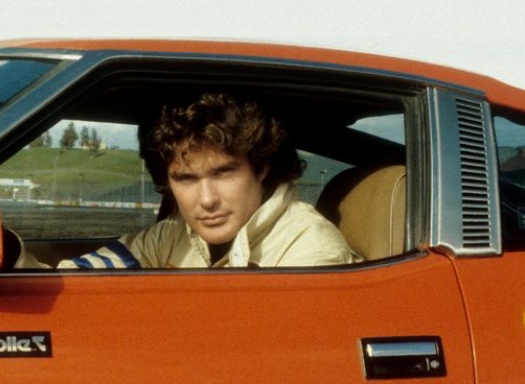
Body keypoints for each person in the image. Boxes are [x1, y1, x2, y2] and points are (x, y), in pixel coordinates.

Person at [60, 93, 360, 269]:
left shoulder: (310, 248)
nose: (206, 199)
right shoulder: (168, 238)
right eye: (186, 178)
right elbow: (77, 281)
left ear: (261, 168)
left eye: (224, 173)